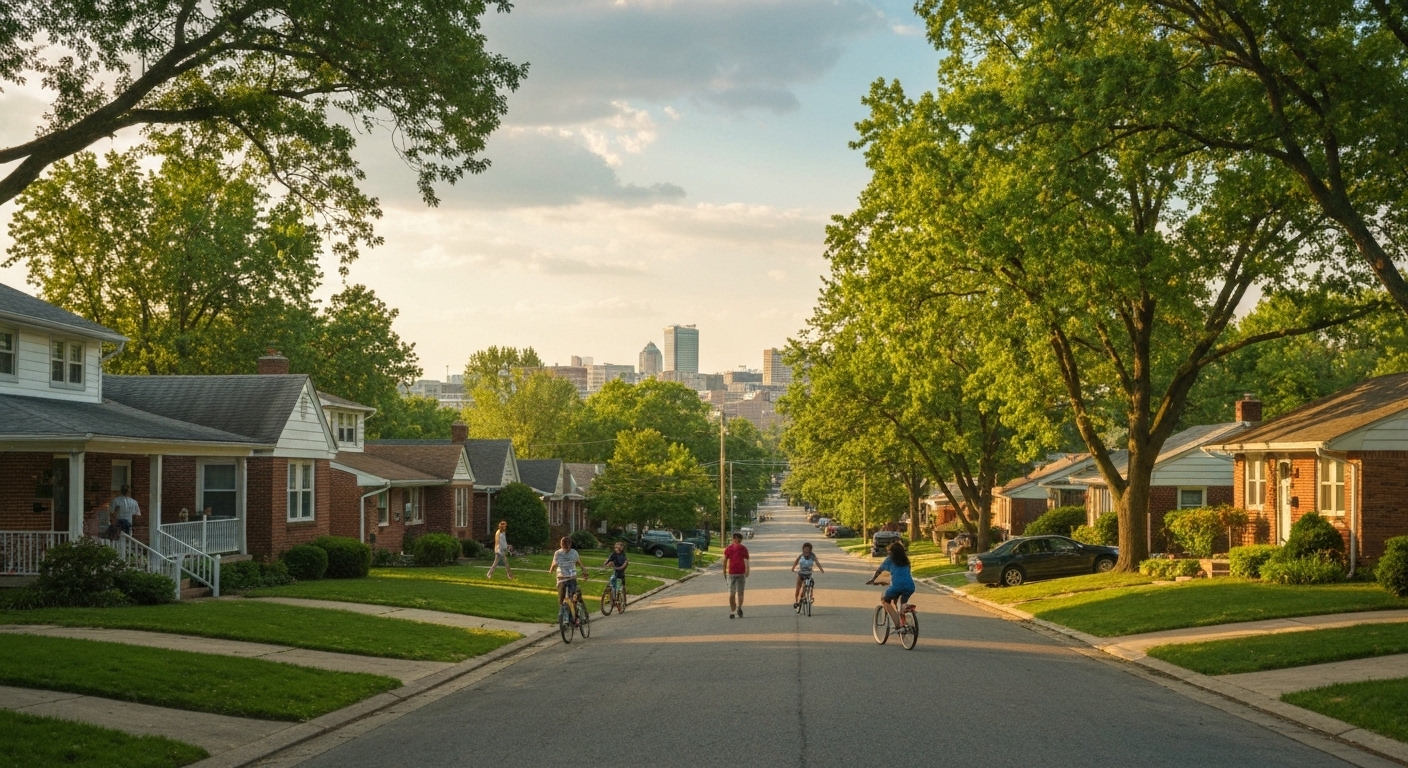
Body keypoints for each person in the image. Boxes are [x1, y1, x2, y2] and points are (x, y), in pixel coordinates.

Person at [867, 541, 915, 628]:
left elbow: (879, 571)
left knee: (885, 600)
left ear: (891, 552)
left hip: (897, 586)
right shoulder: (906, 561)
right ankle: (904, 619)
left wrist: (873, 580)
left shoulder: (890, 559)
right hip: (910, 586)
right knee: (903, 603)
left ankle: (897, 625)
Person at [549, 536, 589, 624]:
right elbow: (555, 564)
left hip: (567, 578)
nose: (566, 548)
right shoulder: (561, 553)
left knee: (570, 598)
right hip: (565, 578)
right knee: (566, 599)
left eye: (566, 545)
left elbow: (578, 562)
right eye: (565, 545)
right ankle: (568, 617)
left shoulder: (569, 553)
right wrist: (584, 571)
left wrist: (551, 570)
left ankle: (574, 617)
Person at [723, 532, 749, 619]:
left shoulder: (729, 548)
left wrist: (724, 571)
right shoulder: (744, 549)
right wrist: (747, 571)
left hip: (731, 573)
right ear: (740, 539)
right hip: (741, 572)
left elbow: (725, 560)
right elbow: (746, 560)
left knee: (732, 593)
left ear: (733, 539)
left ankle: (733, 611)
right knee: (740, 592)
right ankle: (739, 607)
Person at [791, 542, 824, 609]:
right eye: (805, 549)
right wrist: (793, 568)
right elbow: (796, 561)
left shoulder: (813, 556)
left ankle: (809, 597)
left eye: (808, 549)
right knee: (798, 589)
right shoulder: (801, 556)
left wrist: (821, 569)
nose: (807, 551)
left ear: (810, 550)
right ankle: (797, 601)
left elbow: (817, 562)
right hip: (801, 574)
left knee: (810, 584)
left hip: (808, 574)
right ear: (803, 549)